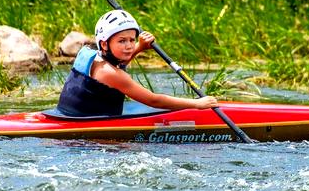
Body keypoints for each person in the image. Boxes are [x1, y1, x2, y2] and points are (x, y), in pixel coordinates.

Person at [57, 9, 218, 116]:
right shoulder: (113, 75)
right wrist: (197, 104)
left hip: (67, 114)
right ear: (105, 44)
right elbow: (153, 100)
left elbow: (118, 63)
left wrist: (140, 47)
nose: (128, 46)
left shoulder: (93, 55)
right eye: (121, 41)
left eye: (131, 40)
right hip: (85, 124)